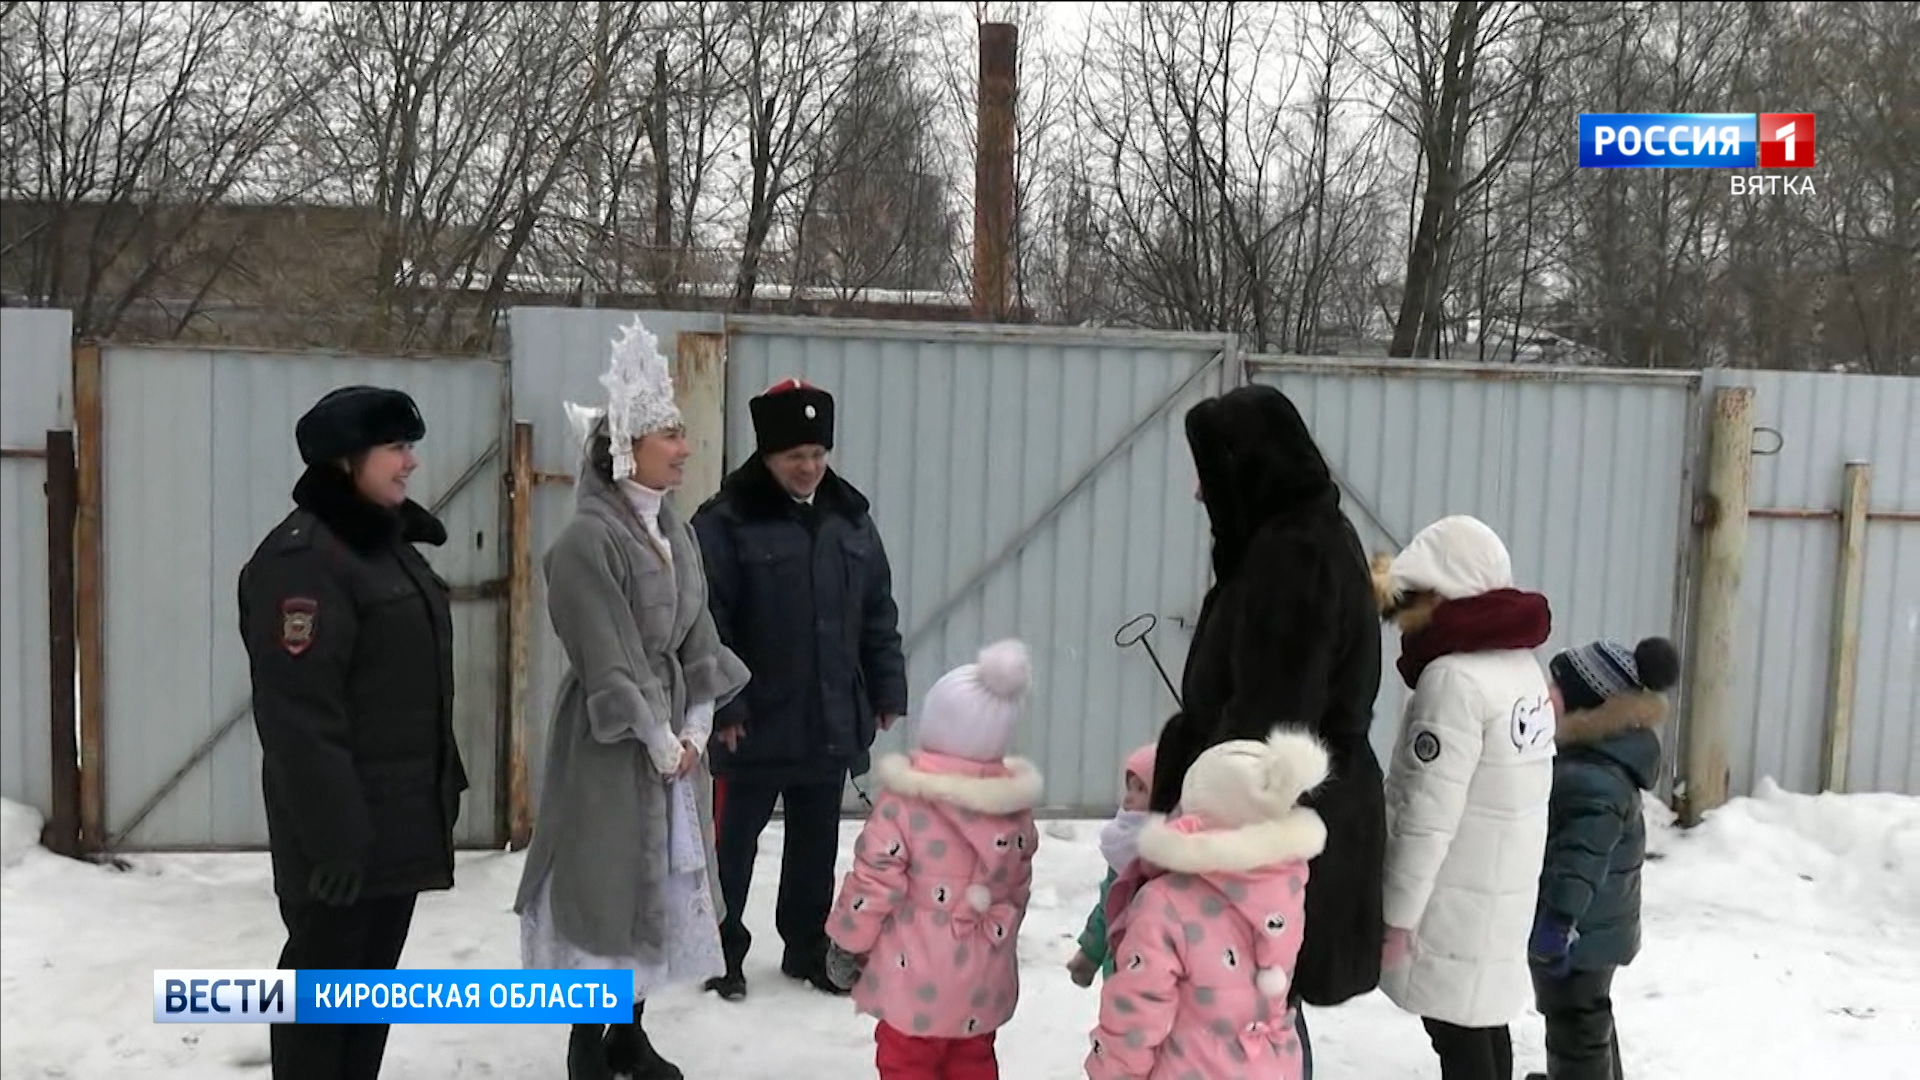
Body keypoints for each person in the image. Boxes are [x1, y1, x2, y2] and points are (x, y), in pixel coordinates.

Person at [512, 318, 751, 1080]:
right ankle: (587, 1039)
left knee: (659, 882)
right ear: (625, 448)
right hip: (611, 749)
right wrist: (655, 736)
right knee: (607, 883)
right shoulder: (586, 541)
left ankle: (629, 1032)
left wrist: (698, 720)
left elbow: (696, 635)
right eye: (667, 433)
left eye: (680, 431)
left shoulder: (674, 532)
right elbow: (607, 655)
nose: (683, 446)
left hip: (673, 744)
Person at [1136, 383, 1388, 1073]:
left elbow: (1269, 726)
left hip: (1271, 825)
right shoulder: (1298, 541)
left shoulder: (1294, 558)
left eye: (1208, 473)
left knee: (1261, 1009)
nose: (1197, 493)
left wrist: (1203, 813)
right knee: (1265, 1004)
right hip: (1291, 814)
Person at [237, 385, 469, 1080]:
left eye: (411, 447)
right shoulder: (304, 562)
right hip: (340, 845)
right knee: (319, 1007)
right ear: (346, 460)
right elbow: (301, 719)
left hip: (394, 824)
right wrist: (335, 840)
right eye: (396, 448)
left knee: (366, 1004)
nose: (411, 464)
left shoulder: (381, 545)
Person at [690, 377, 909, 998]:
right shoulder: (725, 521)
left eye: (817, 454)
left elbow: (877, 612)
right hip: (752, 720)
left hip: (830, 715)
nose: (809, 467)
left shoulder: (851, 519)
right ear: (767, 455)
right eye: (795, 457)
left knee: (816, 843)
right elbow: (709, 620)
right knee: (731, 845)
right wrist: (726, 702)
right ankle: (720, 950)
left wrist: (887, 687)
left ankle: (806, 944)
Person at [1372, 515, 1557, 1080]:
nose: (1405, 615)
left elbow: (1425, 815)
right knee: (1479, 1024)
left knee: (1458, 1034)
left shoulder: (1452, 679)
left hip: (1451, 899)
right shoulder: (1520, 667)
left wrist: (1396, 916)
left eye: (1417, 596)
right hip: (1497, 892)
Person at [820, 639, 1043, 1080]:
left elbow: (873, 884)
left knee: (907, 1064)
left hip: (914, 986)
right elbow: (1015, 893)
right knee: (973, 1063)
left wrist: (848, 942)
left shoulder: (906, 803)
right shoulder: (1012, 810)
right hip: (981, 987)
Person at [1086, 730, 1328, 1080]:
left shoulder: (1166, 902)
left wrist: (1112, 1072)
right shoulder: (1286, 886)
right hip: (1272, 1066)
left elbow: (1138, 1011)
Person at [1525, 636, 1680, 1080]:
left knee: (1576, 1025)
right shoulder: (1596, 762)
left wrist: (1557, 923)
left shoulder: (1592, 778)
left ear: (1587, 706)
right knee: (1588, 1014)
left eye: (1557, 686)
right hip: (1596, 926)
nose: (1545, 693)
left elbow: (1581, 859)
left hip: (1579, 930)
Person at [1066, 741, 1157, 988]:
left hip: (1158, 976)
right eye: (1128, 787)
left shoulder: (1172, 855)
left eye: (1141, 789)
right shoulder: (1122, 849)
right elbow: (1109, 906)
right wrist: (1090, 953)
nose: (1128, 797)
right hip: (1117, 970)